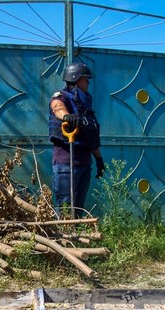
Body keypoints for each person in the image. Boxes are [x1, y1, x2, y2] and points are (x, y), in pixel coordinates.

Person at [48, 62, 105, 219]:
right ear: (76, 79)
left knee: (78, 208)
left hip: (85, 163)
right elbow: (57, 107)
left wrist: (99, 159)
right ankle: (62, 241)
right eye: (86, 79)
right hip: (66, 163)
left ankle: (76, 238)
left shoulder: (85, 104)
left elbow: (89, 135)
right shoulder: (62, 96)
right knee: (65, 207)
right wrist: (66, 116)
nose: (88, 82)